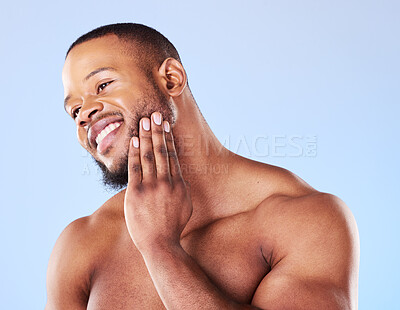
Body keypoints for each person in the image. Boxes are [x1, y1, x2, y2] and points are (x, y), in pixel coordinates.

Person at [46, 23, 359, 309]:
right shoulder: (80, 244)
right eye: (74, 111)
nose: (84, 113)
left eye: (102, 86)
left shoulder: (305, 219)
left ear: (171, 79)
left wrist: (161, 248)